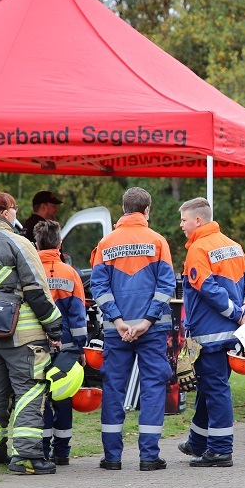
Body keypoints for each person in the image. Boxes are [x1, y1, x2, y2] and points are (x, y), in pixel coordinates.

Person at [0, 191, 62, 475]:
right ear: (5, 212)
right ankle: (27, 456)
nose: (17, 212)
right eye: (15, 208)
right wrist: (55, 327)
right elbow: (36, 290)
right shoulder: (18, 243)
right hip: (23, 336)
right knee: (30, 390)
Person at [89, 188, 174, 471]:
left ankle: (112, 457)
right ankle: (149, 456)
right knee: (152, 387)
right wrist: (147, 321)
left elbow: (99, 287)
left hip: (118, 331)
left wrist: (117, 320)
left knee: (114, 388)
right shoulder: (158, 241)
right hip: (151, 330)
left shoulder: (106, 243)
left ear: (123, 209)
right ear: (147, 210)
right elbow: (166, 287)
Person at [177, 198, 245, 466]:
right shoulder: (233, 245)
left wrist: (238, 314)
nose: (181, 225)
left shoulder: (198, 250)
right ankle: (198, 442)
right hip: (233, 333)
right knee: (208, 388)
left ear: (198, 220)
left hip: (210, 335)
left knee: (215, 390)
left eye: (184, 220)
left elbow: (209, 290)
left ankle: (221, 450)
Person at [34, 220, 89, 466]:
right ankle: (62, 452)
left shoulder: (29, 270)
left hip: (34, 345)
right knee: (63, 397)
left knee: (40, 398)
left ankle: (42, 449)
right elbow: (78, 315)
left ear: (36, 243)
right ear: (59, 243)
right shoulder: (70, 274)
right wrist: (80, 346)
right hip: (65, 346)